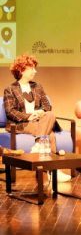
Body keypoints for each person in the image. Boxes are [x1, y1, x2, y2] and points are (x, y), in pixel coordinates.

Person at [3, 54, 71, 182]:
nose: (35, 71)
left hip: (40, 122)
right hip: (23, 124)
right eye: (32, 68)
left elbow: (47, 106)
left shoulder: (37, 86)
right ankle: (54, 172)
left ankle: (39, 145)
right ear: (22, 70)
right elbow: (10, 111)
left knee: (50, 114)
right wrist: (29, 116)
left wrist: (40, 112)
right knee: (50, 135)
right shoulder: (10, 89)